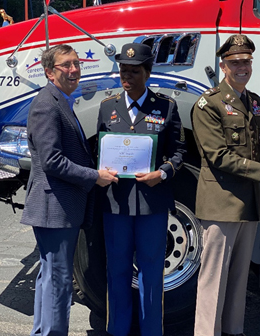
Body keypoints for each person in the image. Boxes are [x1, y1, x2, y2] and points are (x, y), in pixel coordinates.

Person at [192, 34, 260, 336]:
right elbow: (218, 156)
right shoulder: (208, 104)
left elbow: (259, 150)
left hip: (248, 203)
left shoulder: (255, 103)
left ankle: (234, 331)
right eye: (235, 62)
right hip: (221, 203)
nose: (242, 67)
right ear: (223, 66)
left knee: (238, 279)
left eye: (246, 61)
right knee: (213, 278)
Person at [21, 44, 118, 336]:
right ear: (50, 72)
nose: (74, 70)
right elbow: (51, 161)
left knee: (50, 278)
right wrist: (94, 176)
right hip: (55, 208)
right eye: (66, 65)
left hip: (60, 207)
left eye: (77, 63)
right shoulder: (46, 104)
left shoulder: (60, 100)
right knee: (59, 281)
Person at [96, 43, 186, 336]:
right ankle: (117, 330)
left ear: (147, 73)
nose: (128, 76)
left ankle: (151, 331)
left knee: (151, 274)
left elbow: (179, 153)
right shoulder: (107, 107)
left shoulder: (166, 107)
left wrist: (163, 173)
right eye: (124, 70)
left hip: (152, 204)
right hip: (117, 204)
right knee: (117, 271)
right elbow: (99, 150)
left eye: (134, 71)